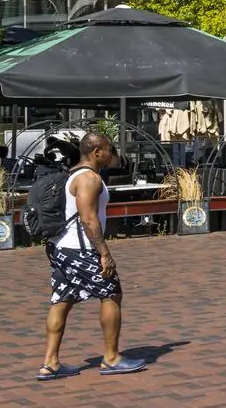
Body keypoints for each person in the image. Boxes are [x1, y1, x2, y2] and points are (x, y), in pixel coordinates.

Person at [39, 130, 147, 379]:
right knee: (111, 294)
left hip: (61, 247)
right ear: (97, 152)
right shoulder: (89, 179)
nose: (112, 154)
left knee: (61, 299)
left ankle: (50, 363)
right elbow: (88, 219)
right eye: (109, 150)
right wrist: (104, 253)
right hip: (81, 249)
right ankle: (111, 358)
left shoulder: (73, 174)